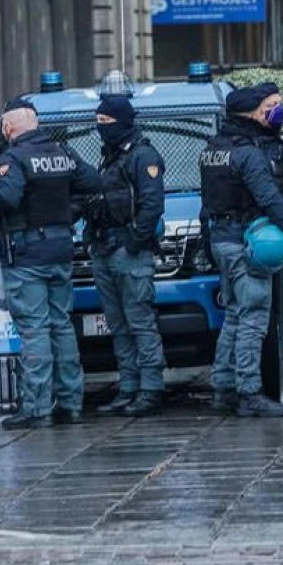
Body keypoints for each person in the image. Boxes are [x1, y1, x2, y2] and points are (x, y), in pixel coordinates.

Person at [0, 98, 101, 429]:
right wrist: (69, 212)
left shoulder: (14, 157)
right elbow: (92, 182)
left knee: (34, 328)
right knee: (62, 324)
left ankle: (37, 407)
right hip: (61, 249)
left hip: (27, 255)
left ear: (8, 128)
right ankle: (70, 401)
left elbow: (6, 198)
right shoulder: (62, 152)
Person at [201, 82, 283, 417]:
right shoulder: (247, 152)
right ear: (253, 111)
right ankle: (249, 393)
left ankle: (222, 389)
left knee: (234, 314)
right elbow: (269, 199)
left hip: (221, 238)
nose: (277, 110)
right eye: (271, 105)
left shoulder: (213, 148)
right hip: (246, 240)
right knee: (252, 317)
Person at [84, 96, 168, 417]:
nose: (100, 129)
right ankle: (128, 387)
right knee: (118, 326)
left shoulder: (142, 155)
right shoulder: (111, 157)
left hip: (128, 253)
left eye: (105, 123)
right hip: (105, 250)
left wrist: (134, 242)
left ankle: (150, 389)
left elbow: (151, 205)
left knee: (140, 322)